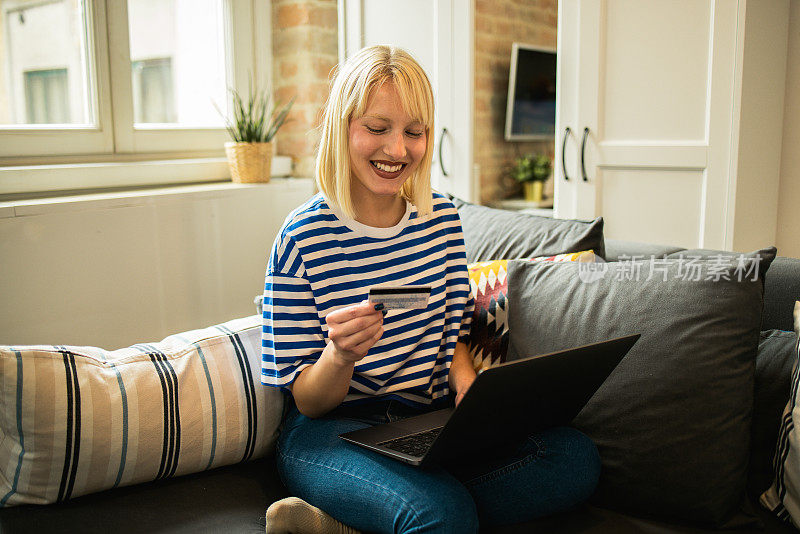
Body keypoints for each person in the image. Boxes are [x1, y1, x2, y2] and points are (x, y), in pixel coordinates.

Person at [261, 45, 600, 534]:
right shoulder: (301, 238)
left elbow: (455, 333)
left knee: (572, 457)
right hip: (332, 432)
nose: (397, 150)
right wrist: (339, 356)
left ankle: (352, 523)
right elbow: (309, 401)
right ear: (342, 127)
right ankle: (411, 512)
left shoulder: (441, 221)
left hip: (426, 422)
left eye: (414, 132)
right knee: (443, 513)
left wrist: (468, 386)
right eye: (377, 129)